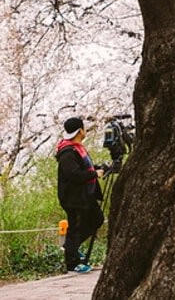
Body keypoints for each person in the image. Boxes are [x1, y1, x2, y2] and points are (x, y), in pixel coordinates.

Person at [56, 117, 105, 274]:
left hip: (86, 195)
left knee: (97, 219)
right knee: (75, 229)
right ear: (80, 131)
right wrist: (94, 174)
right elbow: (74, 174)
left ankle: (72, 247)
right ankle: (72, 263)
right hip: (74, 198)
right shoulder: (67, 152)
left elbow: (84, 167)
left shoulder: (77, 148)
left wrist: (98, 168)